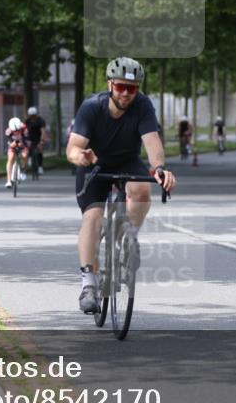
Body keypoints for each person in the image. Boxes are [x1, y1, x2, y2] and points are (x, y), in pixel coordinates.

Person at [66, 57, 177, 314]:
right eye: (120, 87)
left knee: (141, 189)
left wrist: (160, 169)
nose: (126, 93)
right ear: (110, 85)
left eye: (132, 88)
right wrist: (79, 157)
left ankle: (129, 237)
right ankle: (88, 285)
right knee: (92, 219)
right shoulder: (92, 106)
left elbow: (152, 143)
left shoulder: (143, 106)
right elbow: (73, 147)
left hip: (127, 160)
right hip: (94, 164)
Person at [4, 117, 29, 188]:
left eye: (18, 130)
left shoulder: (24, 129)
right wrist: (12, 144)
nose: (16, 132)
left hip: (22, 144)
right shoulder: (8, 131)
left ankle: (23, 170)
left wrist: (22, 144)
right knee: (10, 158)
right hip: (13, 144)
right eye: (14, 131)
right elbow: (9, 142)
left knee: (24, 155)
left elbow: (26, 139)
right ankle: (8, 181)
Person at [24, 106, 48, 175]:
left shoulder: (40, 120)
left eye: (34, 115)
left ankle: (40, 167)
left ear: (36, 115)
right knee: (28, 148)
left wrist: (42, 141)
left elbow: (43, 131)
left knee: (40, 150)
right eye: (31, 116)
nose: (32, 117)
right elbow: (25, 131)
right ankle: (30, 158)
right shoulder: (27, 121)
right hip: (30, 137)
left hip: (38, 137)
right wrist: (26, 139)